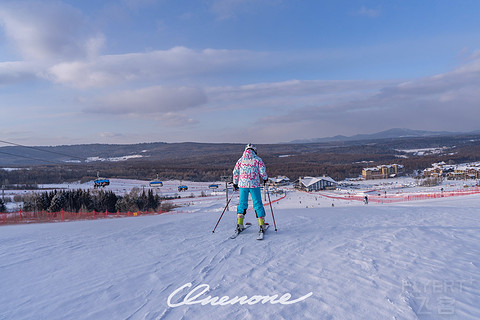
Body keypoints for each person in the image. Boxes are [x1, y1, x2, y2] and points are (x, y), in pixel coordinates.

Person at [232, 143, 268, 233]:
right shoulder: (257, 159)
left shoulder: (241, 160)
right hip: (254, 184)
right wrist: (265, 179)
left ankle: (239, 224)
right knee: (257, 203)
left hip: (242, 185)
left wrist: (235, 183)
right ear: (254, 151)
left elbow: (235, 171)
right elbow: (262, 171)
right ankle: (261, 224)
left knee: (242, 203)